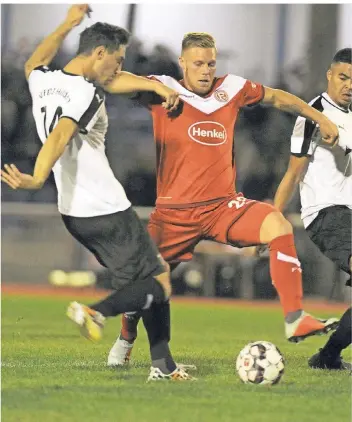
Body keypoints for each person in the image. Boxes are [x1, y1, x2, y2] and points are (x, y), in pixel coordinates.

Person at [108, 32, 340, 366]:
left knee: (277, 223)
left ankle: (295, 317)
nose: (205, 70)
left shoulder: (230, 88)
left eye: (211, 63)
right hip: (173, 214)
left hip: (222, 207)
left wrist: (319, 117)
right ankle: (125, 341)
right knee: (143, 286)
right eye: (198, 63)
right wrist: (160, 89)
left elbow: (276, 98)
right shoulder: (162, 88)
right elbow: (113, 80)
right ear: (182, 63)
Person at [1, 4, 195, 381]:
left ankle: (157, 364)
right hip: (105, 205)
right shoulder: (84, 96)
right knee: (159, 281)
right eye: (117, 59)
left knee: (144, 282)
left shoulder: (44, 80)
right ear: (100, 53)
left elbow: (35, 62)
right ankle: (98, 314)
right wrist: (38, 176)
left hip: (74, 212)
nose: (120, 67)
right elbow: (61, 134)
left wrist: (68, 23)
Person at [273, 48, 352, 370]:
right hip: (327, 214)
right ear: (330, 76)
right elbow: (293, 174)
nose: (349, 85)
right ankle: (327, 357)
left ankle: (328, 357)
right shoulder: (314, 114)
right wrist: (271, 220)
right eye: (344, 77)